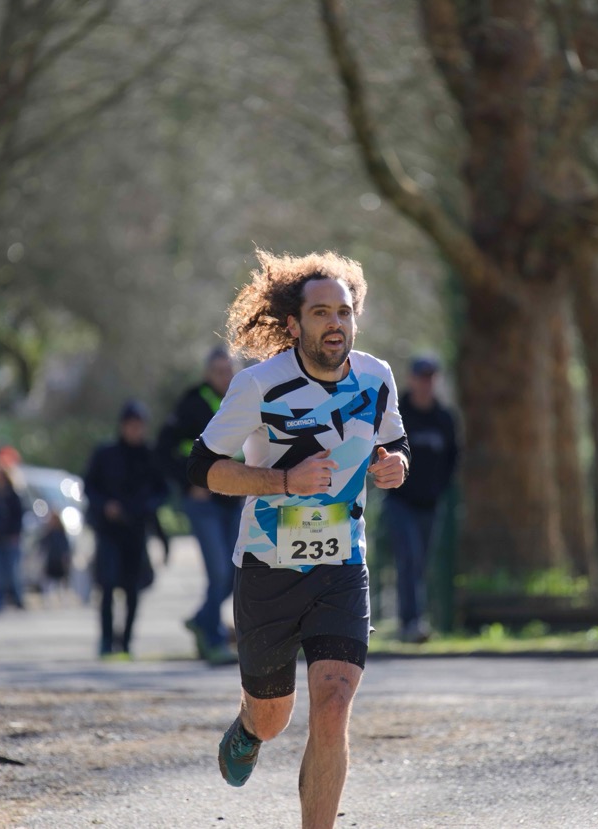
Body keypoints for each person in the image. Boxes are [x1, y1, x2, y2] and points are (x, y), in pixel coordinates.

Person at [186, 249, 409, 828]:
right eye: (320, 313)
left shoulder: (376, 378)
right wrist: (284, 481)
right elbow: (204, 468)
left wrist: (394, 465)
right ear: (293, 324)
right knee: (273, 717)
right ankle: (249, 725)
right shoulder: (259, 385)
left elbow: (393, 442)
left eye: (344, 312)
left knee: (332, 708)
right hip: (268, 566)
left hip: (342, 564)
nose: (335, 323)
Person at [157, 346, 242, 665]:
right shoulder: (191, 403)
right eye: (219, 371)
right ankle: (214, 640)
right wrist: (189, 483)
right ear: (207, 374)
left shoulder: (243, 398)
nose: (225, 376)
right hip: (203, 503)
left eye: (229, 370)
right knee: (219, 571)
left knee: (237, 571)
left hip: (235, 500)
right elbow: (163, 451)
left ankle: (202, 621)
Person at [381, 355, 458, 643]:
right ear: (411, 379)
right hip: (400, 502)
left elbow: (453, 458)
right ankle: (410, 623)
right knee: (409, 558)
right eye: (421, 377)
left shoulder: (444, 418)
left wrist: (439, 490)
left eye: (431, 378)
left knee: (422, 563)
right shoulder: (398, 414)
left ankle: (417, 618)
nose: (426, 383)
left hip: (431, 505)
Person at [83, 400, 166, 659]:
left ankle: (127, 642)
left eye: (139, 425)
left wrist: (144, 507)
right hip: (108, 531)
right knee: (107, 586)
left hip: (136, 531)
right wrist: (105, 505)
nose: (134, 430)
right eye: (130, 425)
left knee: (133, 589)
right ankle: (106, 641)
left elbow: (162, 491)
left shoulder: (150, 456)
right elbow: (89, 487)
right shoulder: (105, 454)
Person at [0, 465, 26, 612]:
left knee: (13, 572)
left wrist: (16, 533)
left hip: (10, 539)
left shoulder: (13, 495)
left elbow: (19, 517)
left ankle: (18, 598)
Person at [38, 510, 72, 604]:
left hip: (59, 561)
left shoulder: (62, 533)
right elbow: (42, 544)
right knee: (49, 581)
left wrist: (66, 558)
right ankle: (47, 600)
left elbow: (66, 547)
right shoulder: (48, 533)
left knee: (61, 581)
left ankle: (63, 600)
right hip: (51, 560)